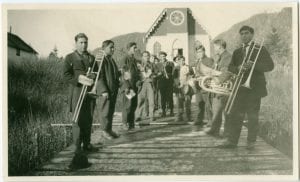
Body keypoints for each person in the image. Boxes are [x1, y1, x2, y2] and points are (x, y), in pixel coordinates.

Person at [218, 25, 274, 149]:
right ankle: (232, 141)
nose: (244, 36)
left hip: (254, 89)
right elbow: (230, 67)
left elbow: (270, 66)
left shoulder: (260, 49)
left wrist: (254, 65)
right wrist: (238, 68)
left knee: (252, 116)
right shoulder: (237, 52)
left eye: (246, 33)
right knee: (236, 114)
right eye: (242, 34)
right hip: (240, 88)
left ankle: (251, 142)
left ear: (252, 34)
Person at [63, 33, 98, 158]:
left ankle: (87, 144)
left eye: (85, 42)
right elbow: (66, 75)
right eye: (81, 42)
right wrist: (79, 78)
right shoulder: (70, 57)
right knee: (77, 119)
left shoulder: (92, 58)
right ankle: (77, 147)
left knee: (88, 118)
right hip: (77, 92)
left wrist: (93, 76)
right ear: (76, 43)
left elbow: (96, 73)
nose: (84, 45)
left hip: (89, 93)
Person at [205, 39, 232, 137]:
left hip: (224, 88)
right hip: (218, 88)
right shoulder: (219, 57)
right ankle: (214, 129)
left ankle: (228, 132)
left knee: (226, 111)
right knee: (216, 109)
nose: (214, 49)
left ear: (220, 46)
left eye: (215, 47)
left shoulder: (227, 57)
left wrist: (219, 80)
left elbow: (227, 71)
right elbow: (215, 70)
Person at [96, 40, 121, 140]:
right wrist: (103, 90)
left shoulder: (110, 59)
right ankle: (104, 131)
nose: (113, 49)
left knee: (110, 111)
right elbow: (99, 76)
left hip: (113, 89)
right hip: (106, 91)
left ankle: (109, 129)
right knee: (104, 111)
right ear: (104, 48)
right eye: (111, 47)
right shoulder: (100, 59)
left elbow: (113, 74)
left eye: (113, 47)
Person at [120, 42, 141, 131]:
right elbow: (123, 73)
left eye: (136, 48)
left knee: (133, 105)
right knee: (127, 105)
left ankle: (131, 123)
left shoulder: (134, 59)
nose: (136, 49)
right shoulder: (125, 59)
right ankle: (125, 124)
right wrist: (126, 86)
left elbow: (136, 72)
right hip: (128, 86)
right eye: (134, 48)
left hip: (134, 86)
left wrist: (139, 81)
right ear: (129, 48)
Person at [193, 45, 214, 126]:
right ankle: (199, 119)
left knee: (208, 103)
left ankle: (210, 120)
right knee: (199, 103)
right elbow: (197, 72)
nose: (199, 53)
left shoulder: (208, 60)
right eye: (197, 52)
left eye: (200, 51)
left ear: (204, 51)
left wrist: (202, 78)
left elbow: (211, 72)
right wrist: (194, 78)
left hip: (206, 85)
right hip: (198, 85)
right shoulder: (197, 61)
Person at [173, 55, 194, 122]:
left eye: (183, 60)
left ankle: (188, 117)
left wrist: (188, 81)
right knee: (179, 103)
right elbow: (174, 78)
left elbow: (192, 75)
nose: (182, 61)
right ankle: (179, 116)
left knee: (188, 102)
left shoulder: (189, 67)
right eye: (180, 60)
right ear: (178, 61)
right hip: (179, 87)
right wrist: (177, 84)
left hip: (187, 86)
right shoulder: (176, 68)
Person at [158, 51, 175, 117]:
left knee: (170, 96)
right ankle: (163, 111)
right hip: (162, 82)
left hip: (169, 81)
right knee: (163, 97)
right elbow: (156, 72)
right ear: (159, 57)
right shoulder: (158, 64)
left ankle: (171, 111)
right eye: (161, 56)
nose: (163, 58)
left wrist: (168, 75)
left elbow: (173, 72)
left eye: (164, 56)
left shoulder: (170, 63)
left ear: (165, 56)